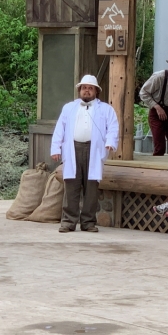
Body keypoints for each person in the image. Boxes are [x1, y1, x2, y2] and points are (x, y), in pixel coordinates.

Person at [51, 75, 119, 233]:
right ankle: (68, 221)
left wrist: (110, 142)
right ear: (79, 90)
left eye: (90, 88)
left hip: (94, 150)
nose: (86, 91)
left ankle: (88, 222)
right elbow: (59, 129)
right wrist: (55, 149)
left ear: (96, 91)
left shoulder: (106, 109)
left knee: (91, 187)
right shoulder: (69, 107)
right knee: (72, 186)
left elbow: (113, 127)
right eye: (84, 88)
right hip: (72, 149)